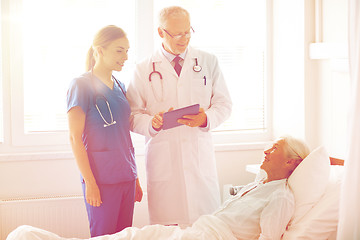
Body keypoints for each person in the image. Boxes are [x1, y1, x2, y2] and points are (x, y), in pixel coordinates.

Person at [7, 136, 310, 240]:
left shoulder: (280, 196)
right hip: (190, 232)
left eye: (276, 148)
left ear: (292, 164)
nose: (267, 151)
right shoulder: (258, 184)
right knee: (130, 235)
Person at [126, 6, 232, 226]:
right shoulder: (143, 68)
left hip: (198, 158)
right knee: (168, 229)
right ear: (161, 32)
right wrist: (152, 123)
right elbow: (132, 115)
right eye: (177, 34)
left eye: (187, 31)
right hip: (164, 159)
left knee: (205, 227)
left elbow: (223, 104)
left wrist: (205, 119)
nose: (184, 39)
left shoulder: (207, 61)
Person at [66, 25, 143, 237]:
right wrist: (90, 182)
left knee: (124, 235)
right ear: (99, 50)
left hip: (126, 177)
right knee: (103, 235)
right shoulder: (80, 85)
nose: (125, 56)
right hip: (101, 179)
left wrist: (135, 177)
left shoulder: (120, 85)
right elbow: (74, 138)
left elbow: (124, 136)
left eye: (127, 50)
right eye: (119, 50)